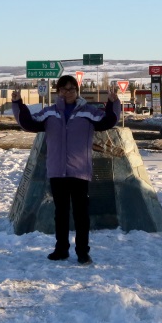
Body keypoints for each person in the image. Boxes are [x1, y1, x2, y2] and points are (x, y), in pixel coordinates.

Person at [12, 75, 119, 264]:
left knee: (81, 214)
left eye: (71, 89)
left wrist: (113, 103)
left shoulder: (88, 112)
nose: (67, 93)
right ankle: (61, 249)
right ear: (58, 92)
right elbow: (28, 123)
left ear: (77, 91)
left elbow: (108, 121)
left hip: (79, 171)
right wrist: (18, 103)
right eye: (63, 89)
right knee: (60, 213)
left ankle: (82, 252)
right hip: (57, 171)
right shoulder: (50, 113)